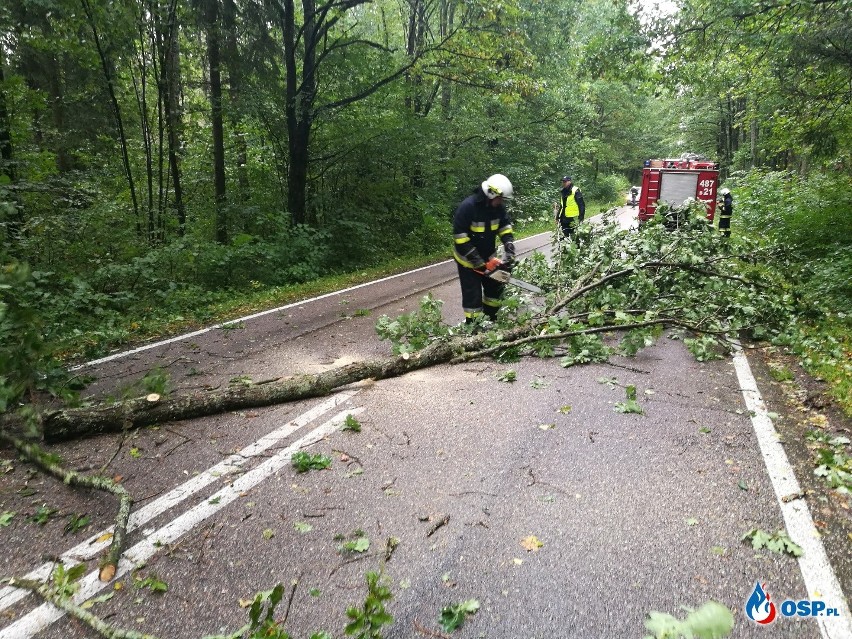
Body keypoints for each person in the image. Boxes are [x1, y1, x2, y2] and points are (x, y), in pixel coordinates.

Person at [452, 174, 516, 322]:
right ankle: (473, 329)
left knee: (495, 292)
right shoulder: (468, 208)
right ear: (491, 193)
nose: (501, 202)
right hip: (468, 262)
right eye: (500, 198)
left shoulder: (498, 208)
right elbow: (460, 239)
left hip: (489, 257)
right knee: (473, 299)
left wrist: (509, 246)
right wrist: (478, 263)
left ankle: (492, 321)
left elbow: (504, 227)